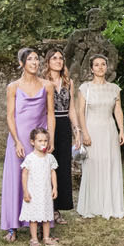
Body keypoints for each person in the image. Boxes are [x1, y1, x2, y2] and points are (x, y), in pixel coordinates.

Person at [1, 47, 52, 241]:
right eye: (30, 59)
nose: (35, 63)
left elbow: (50, 114)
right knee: (16, 179)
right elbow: (10, 116)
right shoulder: (13, 86)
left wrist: (50, 138)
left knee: (40, 179)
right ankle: (13, 226)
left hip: (39, 138)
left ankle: (41, 223)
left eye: (37, 59)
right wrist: (16, 141)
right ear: (22, 63)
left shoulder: (47, 85)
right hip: (19, 138)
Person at [75, 54, 124, 219]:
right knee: (92, 165)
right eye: (96, 65)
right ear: (91, 69)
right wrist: (84, 133)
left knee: (109, 164)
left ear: (107, 67)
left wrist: (121, 130)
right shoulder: (85, 88)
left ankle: (110, 204)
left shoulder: (114, 88)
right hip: (92, 129)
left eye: (103, 64)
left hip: (109, 130)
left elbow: (117, 110)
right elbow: (80, 112)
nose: (100, 67)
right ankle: (92, 204)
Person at [44, 49, 78, 221]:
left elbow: (72, 108)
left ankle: (58, 208)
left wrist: (76, 130)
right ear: (48, 61)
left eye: (60, 58)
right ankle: (47, 207)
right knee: (47, 166)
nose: (58, 61)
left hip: (64, 125)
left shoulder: (68, 82)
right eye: (54, 58)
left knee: (62, 166)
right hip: (47, 125)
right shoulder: (42, 81)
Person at [20, 127, 60, 246]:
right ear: (33, 142)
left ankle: (46, 237)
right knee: (33, 217)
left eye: (45, 141)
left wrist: (55, 188)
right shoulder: (30, 158)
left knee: (46, 215)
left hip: (45, 192)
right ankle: (34, 238)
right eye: (40, 141)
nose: (43, 143)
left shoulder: (49, 158)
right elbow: (24, 174)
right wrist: (25, 191)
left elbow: (53, 172)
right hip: (33, 192)